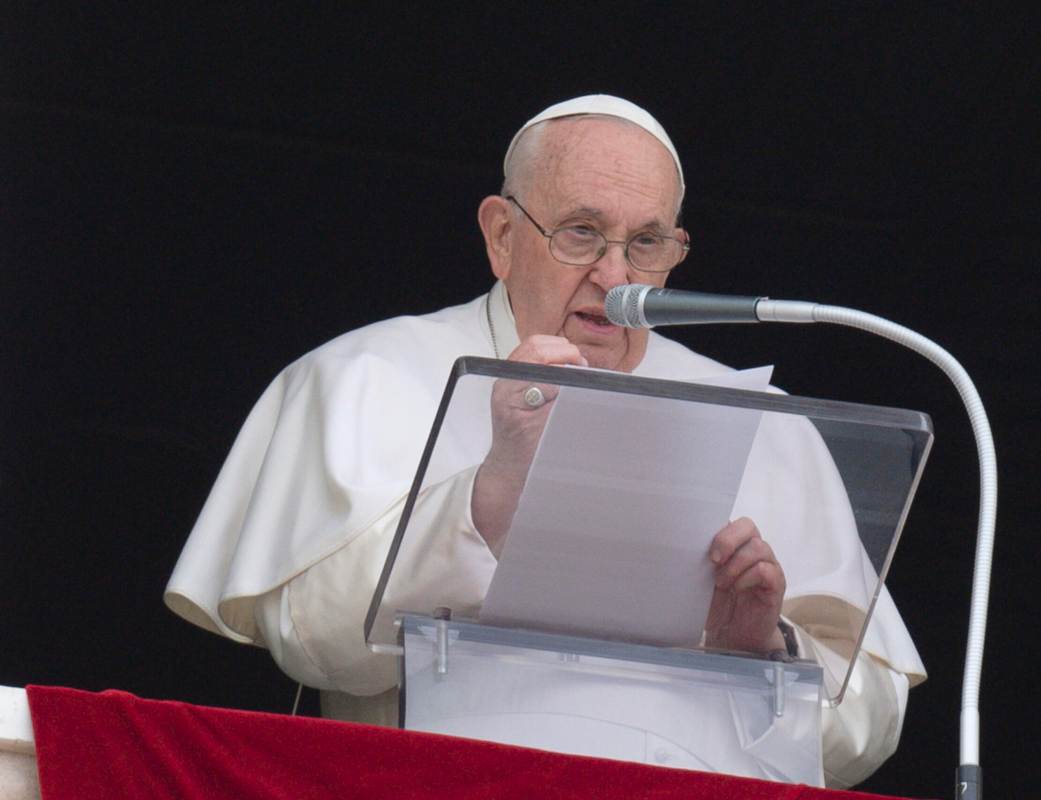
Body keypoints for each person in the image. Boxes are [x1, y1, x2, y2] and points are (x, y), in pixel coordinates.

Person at [165, 95, 925, 788]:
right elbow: (311, 639)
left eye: (648, 243)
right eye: (582, 234)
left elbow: (870, 721)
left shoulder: (769, 423)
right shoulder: (364, 375)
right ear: (501, 235)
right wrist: (483, 506)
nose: (617, 277)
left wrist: (762, 656)